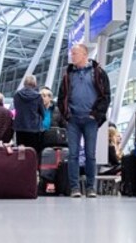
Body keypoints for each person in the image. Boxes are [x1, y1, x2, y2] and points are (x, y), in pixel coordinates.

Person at [57, 43, 111, 198]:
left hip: (90, 120)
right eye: (72, 53)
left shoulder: (98, 73)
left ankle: (90, 187)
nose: (72, 56)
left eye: (75, 53)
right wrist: (67, 115)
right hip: (73, 120)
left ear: (85, 55)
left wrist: (96, 115)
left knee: (90, 154)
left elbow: (106, 96)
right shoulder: (68, 75)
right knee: (73, 154)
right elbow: (62, 97)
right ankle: (74, 187)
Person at [13, 75, 45, 155]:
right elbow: (42, 112)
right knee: (33, 152)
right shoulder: (37, 96)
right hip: (34, 128)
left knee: (21, 152)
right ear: (34, 83)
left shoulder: (17, 95)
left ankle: (21, 167)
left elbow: (16, 108)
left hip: (20, 127)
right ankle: (32, 167)